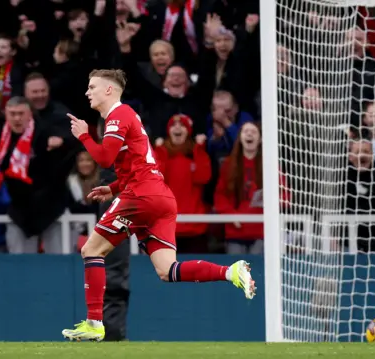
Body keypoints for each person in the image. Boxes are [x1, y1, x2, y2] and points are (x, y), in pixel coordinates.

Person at [63, 69, 256, 341]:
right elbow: (142, 165)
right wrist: (114, 187)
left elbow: (105, 159)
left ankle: (94, 322)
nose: (87, 92)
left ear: (109, 90)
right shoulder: (129, 118)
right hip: (160, 198)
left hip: (142, 196)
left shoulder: (119, 115)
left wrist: (84, 136)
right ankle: (230, 272)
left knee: (91, 249)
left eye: (92, 86)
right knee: (168, 270)